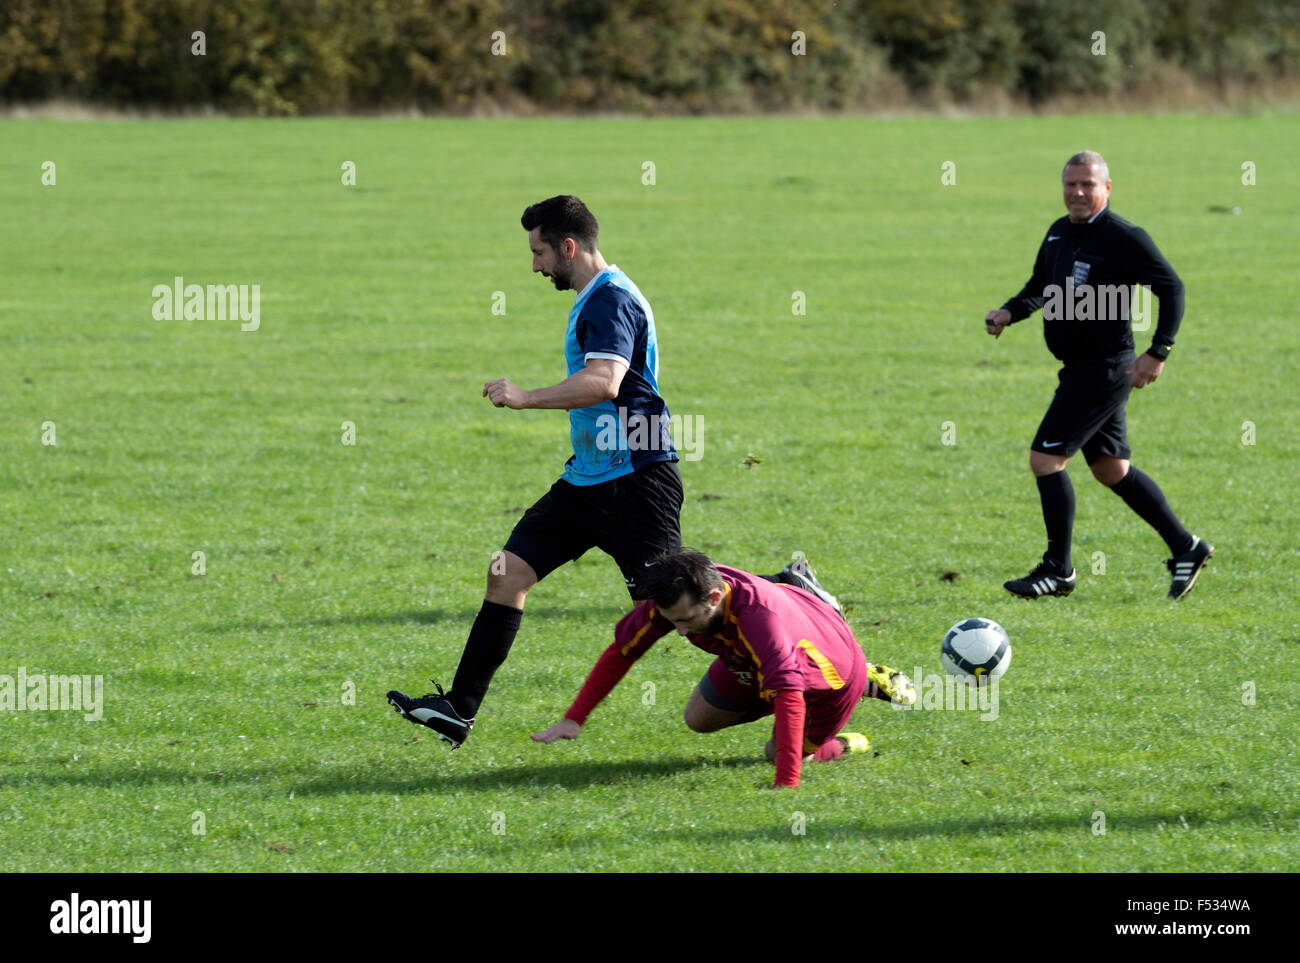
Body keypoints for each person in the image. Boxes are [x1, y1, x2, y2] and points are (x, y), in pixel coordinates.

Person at [387, 196, 839, 750]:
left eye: (539, 253)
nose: (534, 267)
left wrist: (526, 397)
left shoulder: (610, 301)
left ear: (568, 247)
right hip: (588, 480)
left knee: (680, 609)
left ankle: (792, 598)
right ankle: (459, 709)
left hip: (635, 482)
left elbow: (604, 381)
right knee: (507, 574)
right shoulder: (596, 297)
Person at [985, 151, 1213, 601]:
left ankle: (1059, 570)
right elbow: (1039, 287)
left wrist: (1159, 351)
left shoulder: (1125, 237)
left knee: (1045, 460)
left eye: (1088, 184)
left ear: (1107, 187)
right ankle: (1186, 547)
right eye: (1071, 184)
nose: (1078, 193)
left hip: (1104, 369)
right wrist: (1010, 312)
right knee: (1111, 469)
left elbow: (1172, 288)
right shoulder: (1056, 234)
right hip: (1079, 369)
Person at [531, 551, 915, 789]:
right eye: (671, 620)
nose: (677, 630)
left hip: (830, 678)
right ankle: (806, 594)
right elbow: (622, 651)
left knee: (777, 752)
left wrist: (786, 783)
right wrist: (573, 719)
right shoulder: (682, 596)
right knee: (698, 718)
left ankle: (855, 707)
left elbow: (789, 695)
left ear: (715, 597)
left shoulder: (760, 623)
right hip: (760, 656)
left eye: (685, 620)